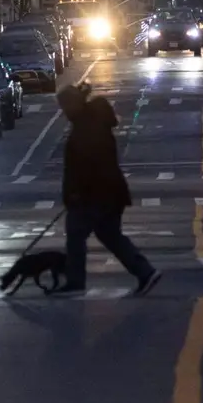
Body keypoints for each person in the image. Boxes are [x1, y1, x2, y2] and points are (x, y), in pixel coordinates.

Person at [56, 83, 159, 296]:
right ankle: (144, 271)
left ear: (73, 104)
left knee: (76, 233)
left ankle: (75, 281)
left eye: (65, 107)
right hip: (108, 192)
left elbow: (86, 165)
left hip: (95, 194)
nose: (64, 112)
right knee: (110, 235)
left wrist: (76, 192)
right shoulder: (90, 122)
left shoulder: (87, 128)